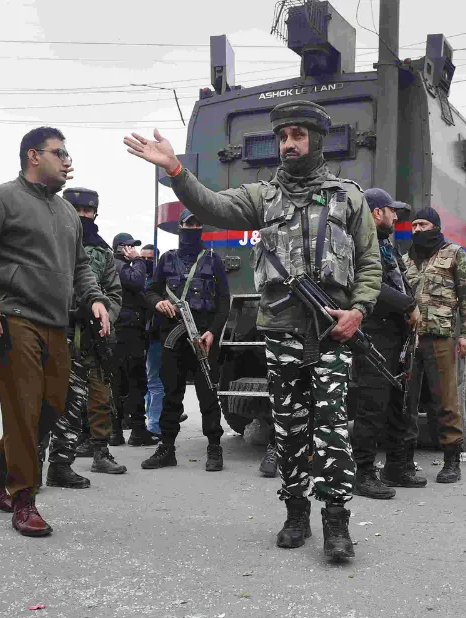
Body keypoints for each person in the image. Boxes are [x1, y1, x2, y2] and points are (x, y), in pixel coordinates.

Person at [124, 100, 382, 561]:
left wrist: (358, 311)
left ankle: (337, 523)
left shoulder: (349, 197)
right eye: (283, 137)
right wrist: (177, 171)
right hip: (281, 330)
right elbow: (214, 206)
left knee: (332, 429)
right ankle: (296, 514)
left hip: (331, 332)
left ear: (317, 141)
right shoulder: (263, 197)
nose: (288, 144)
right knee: (288, 427)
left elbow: (369, 263)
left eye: (298, 135)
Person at [0, 126, 109, 536]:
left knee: (52, 408)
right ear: (33, 156)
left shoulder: (66, 213)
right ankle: (24, 498)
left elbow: (80, 268)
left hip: (55, 322)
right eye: (59, 152)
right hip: (10, 318)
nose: (67, 160)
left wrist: (95, 299)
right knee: (24, 410)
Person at [44, 186, 126, 486]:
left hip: (94, 335)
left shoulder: (103, 251)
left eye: (88, 211)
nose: (82, 216)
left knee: (100, 395)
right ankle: (42, 462)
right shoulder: (49, 242)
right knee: (53, 400)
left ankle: (100, 452)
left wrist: (105, 317)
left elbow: (114, 294)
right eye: (76, 211)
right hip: (59, 330)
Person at [140, 209, 230, 471]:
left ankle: (214, 447)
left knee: (208, 395)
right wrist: (159, 303)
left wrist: (213, 330)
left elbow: (224, 301)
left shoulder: (213, 260)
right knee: (171, 394)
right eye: (188, 224)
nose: (193, 228)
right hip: (172, 336)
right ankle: (167, 448)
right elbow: (150, 291)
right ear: (180, 228)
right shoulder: (167, 259)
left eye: (197, 224)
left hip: (204, 337)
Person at [351, 187, 422, 499]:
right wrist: (408, 305)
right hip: (375, 332)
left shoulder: (385, 245)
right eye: (392, 210)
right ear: (377, 213)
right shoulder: (361, 244)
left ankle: (397, 465)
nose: (396, 216)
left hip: (395, 334)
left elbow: (397, 281)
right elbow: (372, 287)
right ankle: (364, 472)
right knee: (372, 404)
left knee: (398, 404)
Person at [403, 207, 466, 484]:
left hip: (441, 337)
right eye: (413, 226)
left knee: (445, 400)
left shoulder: (455, 254)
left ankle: (451, 461)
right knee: (406, 402)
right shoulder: (405, 260)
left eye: (422, 224)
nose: (417, 230)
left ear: (434, 226)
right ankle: (405, 460)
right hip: (411, 340)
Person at [112, 232, 157, 447]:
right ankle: (135, 431)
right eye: (130, 247)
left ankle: (118, 431)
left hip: (129, 330)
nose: (134, 251)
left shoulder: (121, 266)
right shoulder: (119, 265)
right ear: (121, 248)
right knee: (133, 382)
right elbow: (138, 282)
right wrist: (137, 260)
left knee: (124, 382)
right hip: (126, 331)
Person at [141, 243, 165, 439]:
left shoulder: (158, 282)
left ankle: (154, 423)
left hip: (156, 336)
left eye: (150, 259)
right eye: (143, 259)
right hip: (143, 337)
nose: (146, 262)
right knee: (149, 382)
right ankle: (152, 420)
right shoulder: (139, 279)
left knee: (154, 382)